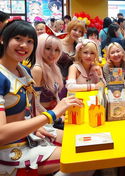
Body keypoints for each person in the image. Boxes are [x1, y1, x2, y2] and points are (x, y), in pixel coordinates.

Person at [0, 20, 83, 175]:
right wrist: (52, 115)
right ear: (3, 39)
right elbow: (1, 134)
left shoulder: (23, 70)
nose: (24, 45)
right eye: (18, 39)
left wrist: (36, 126)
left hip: (30, 135)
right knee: (81, 155)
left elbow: (26, 110)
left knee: (84, 142)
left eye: (30, 41)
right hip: (10, 151)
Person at [32, 33, 63, 112]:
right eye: (48, 48)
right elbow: (35, 104)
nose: (53, 54)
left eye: (56, 50)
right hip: (43, 118)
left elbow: (56, 96)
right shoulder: (37, 70)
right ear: (40, 48)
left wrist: (60, 111)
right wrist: (54, 117)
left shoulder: (54, 67)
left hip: (53, 113)